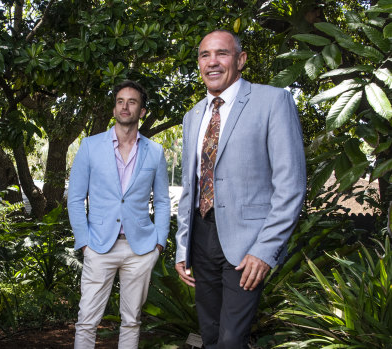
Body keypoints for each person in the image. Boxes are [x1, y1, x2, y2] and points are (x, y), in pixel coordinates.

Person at [174, 29, 306, 348]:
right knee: (210, 335)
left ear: (241, 59)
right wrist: (182, 246)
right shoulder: (192, 117)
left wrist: (265, 249)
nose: (212, 62)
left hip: (247, 244)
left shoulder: (273, 101)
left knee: (231, 340)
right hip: (201, 241)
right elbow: (190, 188)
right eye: (205, 55)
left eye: (222, 53)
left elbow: (290, 185)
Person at [67, 80, 171, 348]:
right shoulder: (90, 146)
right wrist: (85, 243)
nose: (125, 107)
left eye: (132, 102)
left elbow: (161, 201)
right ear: (114, 108)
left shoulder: (156, 152)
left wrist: (159, 244)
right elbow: (76, 199)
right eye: (120, 101)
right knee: (87, 320)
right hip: (99, 246)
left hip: (141, 249)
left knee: (132, 320)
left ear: (142, 111)